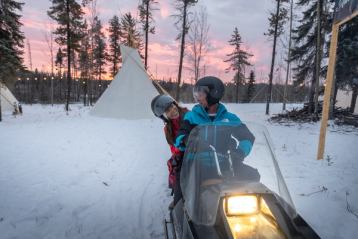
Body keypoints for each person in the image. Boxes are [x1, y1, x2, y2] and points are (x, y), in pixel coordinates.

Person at [174, 76, 255, 202]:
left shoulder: (230, 118)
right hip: (196, 162)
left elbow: (248, 137)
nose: (198, 98)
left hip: (224, 162)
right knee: (183, 185)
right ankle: (178, 208)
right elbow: (180, 135)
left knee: (252, 177)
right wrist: (186, 140)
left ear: (213, 94)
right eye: (197, 94)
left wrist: (240, 152)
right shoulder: (191, 116)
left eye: (201, 94)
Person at [151, 94, 188, 206]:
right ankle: (178, 201)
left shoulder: (189, 115)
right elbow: (173, 147)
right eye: (168, 111)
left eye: (172, 106)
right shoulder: (168, 129)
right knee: (179, 173)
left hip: (200, 149)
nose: (173, 110)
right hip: (184, 154)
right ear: (164, 116)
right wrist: (179, 150)